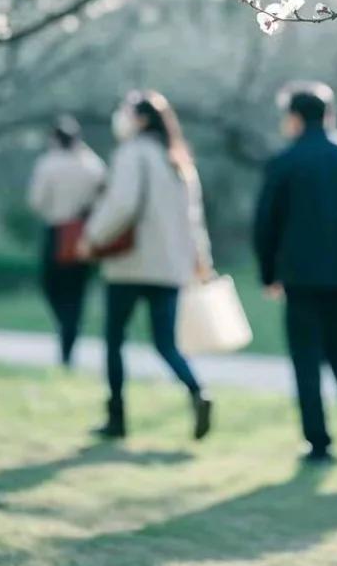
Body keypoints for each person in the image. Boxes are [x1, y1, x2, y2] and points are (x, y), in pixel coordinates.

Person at [254, 82, 337, 464]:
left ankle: (319, 442)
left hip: (300, 275)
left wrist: (268, 273)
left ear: (294, 117)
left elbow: (266, 223)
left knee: (306, 358)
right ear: (329, 114)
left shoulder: (286, 160)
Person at [79, 90, 213, 442]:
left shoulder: (132, 154)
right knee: (166, 343)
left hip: (130, 265)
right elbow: (194, 220)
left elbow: (121, 206)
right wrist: (201, 261)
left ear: (139, 119)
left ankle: (117, 418)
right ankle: (197, 390)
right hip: (170, 267)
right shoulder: (179, 160)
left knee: (114, 341)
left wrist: (91, 237)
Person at [28, 115, 105, 367]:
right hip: (86, 233)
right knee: (77, 292)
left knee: (51, 286)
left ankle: (65, 327)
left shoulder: (48, 164)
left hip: (58, 231)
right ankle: (69, 338)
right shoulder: (92, 164)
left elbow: (36, 202)